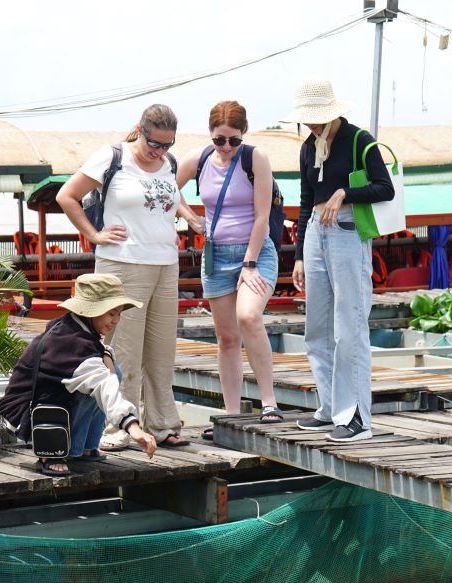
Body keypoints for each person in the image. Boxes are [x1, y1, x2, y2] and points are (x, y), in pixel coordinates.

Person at [56, 104, 189, 450]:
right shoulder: (112, 157)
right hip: (123, 263)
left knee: (161, 349)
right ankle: (119, 427)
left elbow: (171, 198)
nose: (159, 151)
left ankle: (162, 424)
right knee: (123, 350)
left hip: (165, 263)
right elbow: (66, 196)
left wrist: (185, 217)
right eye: (154, 144)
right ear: (140, 131)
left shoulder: (169, 164)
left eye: (167, 145)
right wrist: (94, 235)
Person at [283, 79, 394, 442]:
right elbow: (304, 201)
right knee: (317, 328)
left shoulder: (359, 140)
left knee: (350, 326)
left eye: (318, 118)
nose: (313, 124)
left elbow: (384, 187)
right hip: (316, 232)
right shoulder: (307, 148)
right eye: (308, 119)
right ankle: (330, 407)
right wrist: (299, 254)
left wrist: (345, 193)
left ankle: (358, 416)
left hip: (347, 231)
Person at [175, 101, 283, 439]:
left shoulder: (256, 158)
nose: (226, 148)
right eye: (220, 140)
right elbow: (165, 187)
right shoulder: (200, 158)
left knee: (249, 318)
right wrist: (189, 215)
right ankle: (231, 414)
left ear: (243, 135)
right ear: (210, 134)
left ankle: (269, 402)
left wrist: (250, 262)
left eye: (233, 141)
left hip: (255, 250)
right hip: (215, 254)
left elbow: (263, 215)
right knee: (225, 337)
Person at [0, 273, 157, 476]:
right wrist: (133, 429)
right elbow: (102, 385)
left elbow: (99, 354)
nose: (116, 320)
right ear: (92, 311)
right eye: (111, 314)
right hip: (27, 415)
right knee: (102, 379)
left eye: (119, 314)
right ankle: (55, 452)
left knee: (111, 370)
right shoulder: (70, 343)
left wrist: (106, 357)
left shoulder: (71, 326)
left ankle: (84, 446)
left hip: (45, 403)